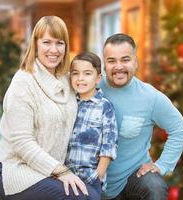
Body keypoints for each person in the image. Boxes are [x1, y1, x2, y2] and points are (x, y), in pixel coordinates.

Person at [0, 16, 99, 200]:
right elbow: (22, 143)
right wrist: (61, 171)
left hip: (49, 169)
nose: (54, 50)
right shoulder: (23, 83)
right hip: (15, 169)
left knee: (93, 191)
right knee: (82, 197)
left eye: (59, 43)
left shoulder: (67, 79)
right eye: (46, 42)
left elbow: (95, 82)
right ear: (35, 45)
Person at [100, 33, 183, 200]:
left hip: (132, 177)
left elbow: (180, 129)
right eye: (111, 61)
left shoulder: (150, 97)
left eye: (125, 60)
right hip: (95, 180)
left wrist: (162, 165)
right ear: (104, 64)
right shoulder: (92, 89)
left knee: (154, 186)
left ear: (136, 62)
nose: (118, 66)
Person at [65, 52, 118, 199]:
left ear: (98, 78)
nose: (80, 78)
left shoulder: (104, 107)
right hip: (65, 176)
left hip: (90, 178)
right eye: (76, 74)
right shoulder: (68, 103)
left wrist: (98, 175)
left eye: (87, 74)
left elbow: (109, 146)